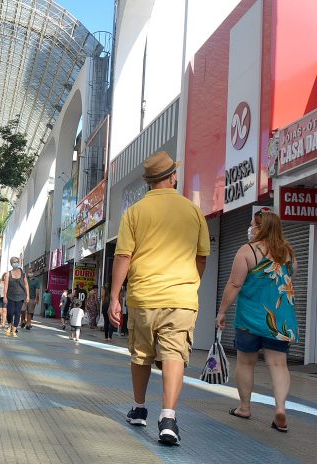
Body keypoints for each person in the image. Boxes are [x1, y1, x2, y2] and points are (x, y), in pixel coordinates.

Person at [109, 151, 210, 446]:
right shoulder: (193, 211)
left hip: (143, 297)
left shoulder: (135, 212)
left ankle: (139, 408)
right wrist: (189, 284)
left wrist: (114, 297)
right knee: (175, 354)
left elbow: (123, 256)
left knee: (140, 354)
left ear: (149, 182)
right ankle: (168, 418)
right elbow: (202, 257)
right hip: (181, 298)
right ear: (173, 176)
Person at [216, 210, 297, 433]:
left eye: (253, 224)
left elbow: (234, 284)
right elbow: (289, 279)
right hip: (280, 321)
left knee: (246, 362)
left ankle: (244, 407)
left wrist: (222, 311)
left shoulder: (247, 251)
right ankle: (280, 409)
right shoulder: (289, 253)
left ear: (260, 228)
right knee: (279, 364)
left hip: (250, 318)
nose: (250, 227)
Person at [3, 257, 29, 337]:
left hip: (20, 296)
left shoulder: (23, 273)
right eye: (14, 262)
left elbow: (26, 284)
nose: (16, 263)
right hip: (10, 296)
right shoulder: (8, 274)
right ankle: (10, 325)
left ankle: (14, 330)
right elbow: (6, 286)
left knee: (18, 313)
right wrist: (5, 296)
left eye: (17, 262)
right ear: (11, 263)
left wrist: (27, 296)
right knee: (10, 313)